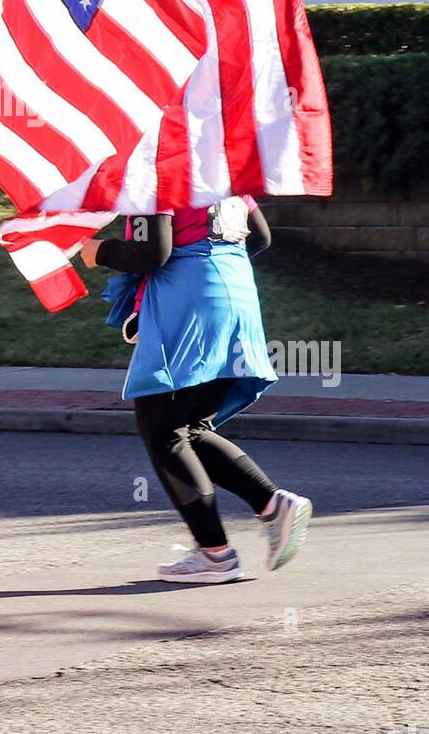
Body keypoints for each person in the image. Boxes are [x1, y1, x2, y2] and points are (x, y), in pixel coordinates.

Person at [81, 196, 311, 585]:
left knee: (164, 434)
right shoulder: (217, 166)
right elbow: (261, 238)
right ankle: (272, 505)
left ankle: (215, 553)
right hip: (235, 293)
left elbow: (152, 251)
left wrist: (97, 251)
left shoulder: (158, 170)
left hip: (187, 304)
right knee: (192, 428)